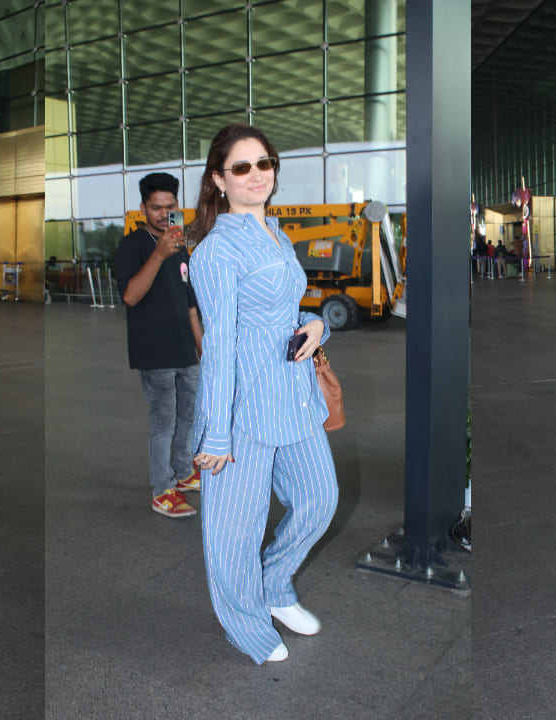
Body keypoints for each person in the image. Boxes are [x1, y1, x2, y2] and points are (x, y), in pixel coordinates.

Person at [188, 123, 339, 665]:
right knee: (235, 530)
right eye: (242, 167)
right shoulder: (215, 251)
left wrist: (318, 324)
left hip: (293, 397)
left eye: (264, 163)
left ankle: (274, 585)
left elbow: (283, 311)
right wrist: (218, 433)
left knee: (320, 500)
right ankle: (246, 624)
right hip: (243, 408)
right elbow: (219, 345)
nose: (257, 175)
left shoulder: (278, 235)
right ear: (218, 180)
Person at [113, 173, 204, 518]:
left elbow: (190, 304)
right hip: (154, 353)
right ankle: (162, 490)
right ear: (143, 208)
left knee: (189, 417)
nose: (164, 213)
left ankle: (182, 473)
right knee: (163, 423)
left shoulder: (182, 247)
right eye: (156, 207)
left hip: (185, 351)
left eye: (170, 207)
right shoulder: (131, 246)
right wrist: (159, 254)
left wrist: (202, 350)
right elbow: (131, 296)